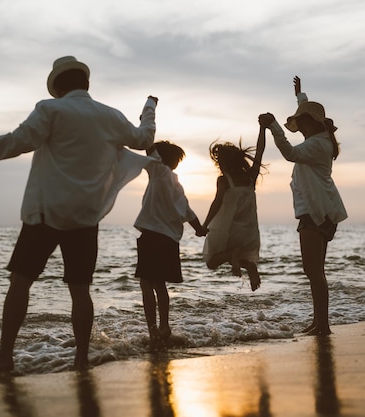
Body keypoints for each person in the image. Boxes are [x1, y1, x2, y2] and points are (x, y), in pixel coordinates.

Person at [0, 55, 158, 372]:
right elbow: (144, 139)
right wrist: (150, 108)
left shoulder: (51, 109)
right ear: (86, 83)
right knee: (80, 290)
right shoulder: (110, 116)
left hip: (45, 213)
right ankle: (82, 359)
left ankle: (5, 358)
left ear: (58, 86)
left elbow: (17, 142)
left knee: (20, 283)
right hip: (85, 217)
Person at [259, 76, 347, 335]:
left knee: (313, 271)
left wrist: (275, 126)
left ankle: (322, 324)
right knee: (315, 271)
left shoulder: (318, 145)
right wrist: (300, 96)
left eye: (302, 120)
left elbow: (290, 154)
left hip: (316, 212)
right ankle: (320, 321)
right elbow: (307, 110)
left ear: (311, 123)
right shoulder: (321, 141)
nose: (299, 126)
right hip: (323, 210)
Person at [134, 141, 208, 351]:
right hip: (169, 240)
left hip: (152, 236)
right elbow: (188, 211)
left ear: (159, 158)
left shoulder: (158, 171)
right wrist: (200, 229)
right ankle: (164, 326)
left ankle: (152, 330)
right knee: (160, 285)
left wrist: (149, 113)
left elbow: (148, 146)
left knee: (146, 284)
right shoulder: (177, 184)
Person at [202, 127, 266, 291]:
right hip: (248, 229)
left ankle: (234, 257)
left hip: (228, 228)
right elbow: (259, 152)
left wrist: (205, 224)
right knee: (238, 255)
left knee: (212, 261)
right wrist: (263, 129)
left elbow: (217, 202)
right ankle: (249, 266)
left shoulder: (224, 180)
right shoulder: (250, 177)